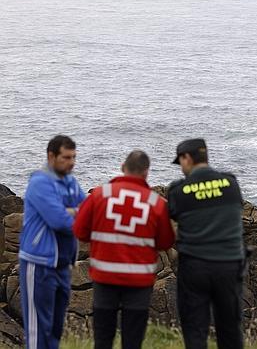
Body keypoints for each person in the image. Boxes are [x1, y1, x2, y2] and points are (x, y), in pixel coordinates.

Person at [72, 150, 175, 349]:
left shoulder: (100, 195)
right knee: (133, 340)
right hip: (138, 282)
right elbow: (165, 242)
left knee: (102, 338)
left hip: (105, 278)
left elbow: (80, 231)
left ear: (122, 168)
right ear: (146, 173)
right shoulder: (156, 204)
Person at [167, 138, 245, 349]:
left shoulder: (178, 190)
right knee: (230, 328)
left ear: (187, 158)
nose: (181, 167)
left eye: (180, 161)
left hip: (195, 266)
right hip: (229, 264)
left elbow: (171, 219)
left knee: (195, 329)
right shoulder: (231, 182)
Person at [19, 135, 85, 349]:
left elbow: (90, 209)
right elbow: (60, 221)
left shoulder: (71, 182)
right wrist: (75, 212)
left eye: (74, 157)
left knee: (56, 329)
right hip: (38, 263)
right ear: (51, 156)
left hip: (62, 264)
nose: (71, 162)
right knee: (38, 330)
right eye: (66, 157)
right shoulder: (40, 182)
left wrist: (72, 211)